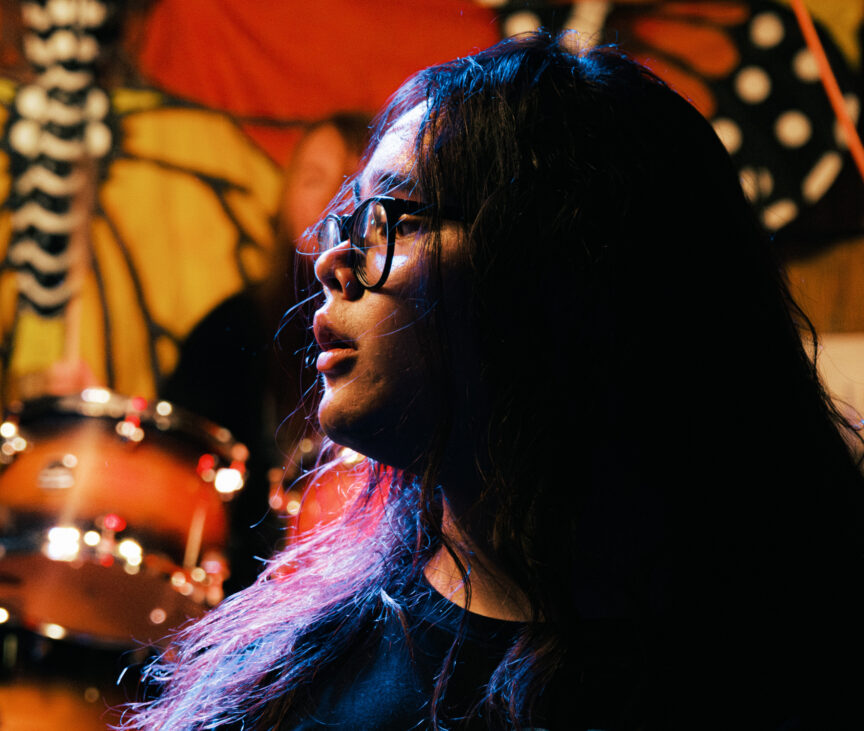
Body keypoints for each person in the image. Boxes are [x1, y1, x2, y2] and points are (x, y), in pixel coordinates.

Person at [126, 31, 863, 730]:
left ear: (561, 270)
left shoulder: (809, 666)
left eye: (394, 219)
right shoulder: (286, 688)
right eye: (347, 224)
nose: (331, 262)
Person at [159, 113, 370, 592]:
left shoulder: (405, 331)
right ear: (285, 196)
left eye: (351, 183)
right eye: (313, 180)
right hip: (241, 594)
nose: (332, 201)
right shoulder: (232, 328)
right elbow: (176, 467)